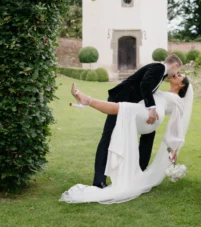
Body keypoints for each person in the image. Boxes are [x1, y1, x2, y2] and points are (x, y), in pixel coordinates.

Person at [59, 73, 193, 204]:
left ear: (181, 85)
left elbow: (176, 125)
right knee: (121, 109)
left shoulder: (177, 100)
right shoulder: (163, 90)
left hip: (148, 117)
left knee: (121, 108)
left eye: (180, 76)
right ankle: (85, 101)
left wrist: (175, 148)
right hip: (145, 112)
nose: (177, 74)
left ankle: (86, 100)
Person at [91, 55, 182, 189]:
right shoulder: (159, 68)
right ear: (174, 65)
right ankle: (99, 180)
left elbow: (146, 88)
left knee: (148, 133)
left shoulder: (160, 73)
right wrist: (151, 108)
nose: (176, 74)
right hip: (119, 99)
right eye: (178, 71)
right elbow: (145, 85)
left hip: (127, 104)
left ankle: (138, 172)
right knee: (107, 137)